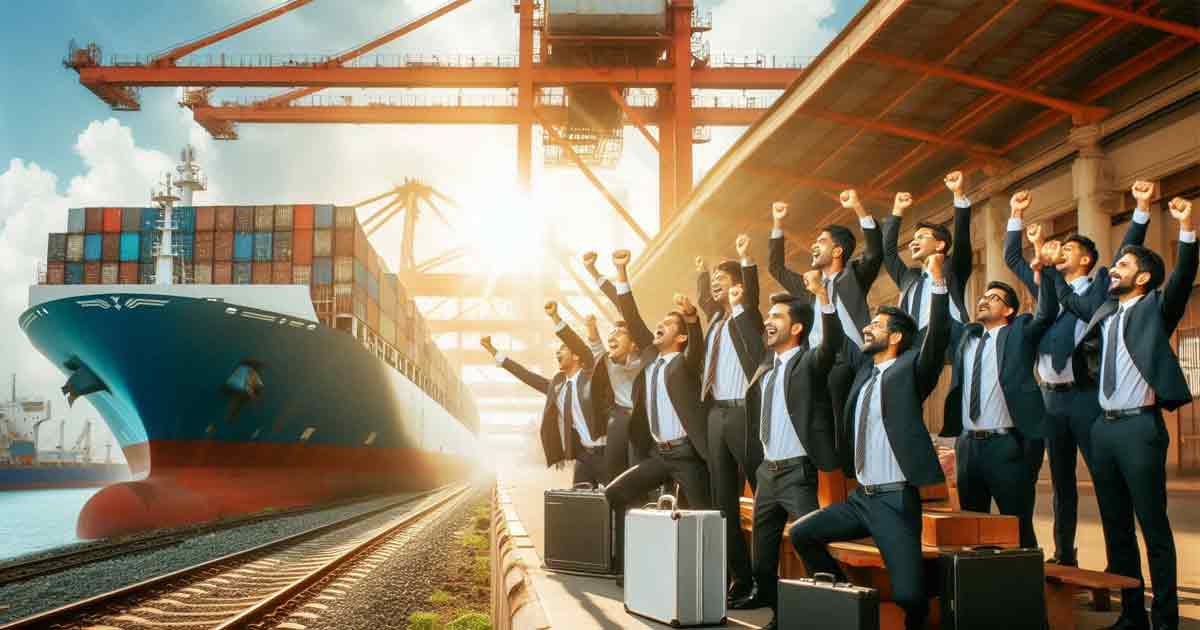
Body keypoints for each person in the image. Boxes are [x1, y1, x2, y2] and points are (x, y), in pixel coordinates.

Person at [1050, 195, 1196, 630]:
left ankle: (1165, 619)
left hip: (1139, 427)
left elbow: (1184, 277)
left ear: (1145, 277)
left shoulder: (1155, 308)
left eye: (1124, 266)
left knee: (1152, 526)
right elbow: (1074, 297)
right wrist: (1049, 271)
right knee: (1115, 527)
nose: (1114, 269)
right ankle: (1131, 613)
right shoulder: (1104, 310)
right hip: (1104, 429)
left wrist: (1186, 227)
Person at [789, 252, 951, 630]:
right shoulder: (863, 370)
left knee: (910, 596)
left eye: (876, 325)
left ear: (895, 337)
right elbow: (839, 336)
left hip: (895, 500)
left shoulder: (912, 368)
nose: (868, 329)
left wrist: (939, 280)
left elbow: (938, 334)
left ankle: (925, 611)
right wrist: (822, 297)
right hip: (860, 499)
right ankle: (849, 601)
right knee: (802, 534)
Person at [1004, 182, 1152, 565]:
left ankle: (1116, 562)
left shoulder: (1103, 285)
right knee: (1061, 485)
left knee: (1104, 481)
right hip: (1051, 400)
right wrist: (1017, 216)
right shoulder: (1047, 289)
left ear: (1086, 260)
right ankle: (1064, 554)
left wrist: (1141, 207)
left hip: (1085, 396)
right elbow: (1011, 258)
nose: (1061, 252)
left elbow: (1126, 251)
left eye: (1068, 249)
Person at [727, 275, 843, 630]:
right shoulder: (766, 368)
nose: (768, 321)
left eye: (776, 316)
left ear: (796, 328)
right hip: (767, 471)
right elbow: (747, 335)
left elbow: (831, 344)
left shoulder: (808, 362)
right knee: (762, 557)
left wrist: (823, 296)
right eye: (768, 316)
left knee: (810, 542)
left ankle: (838, 608)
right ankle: (780, 616)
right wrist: (737, 305)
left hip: (797, 472)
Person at [601, 249, 711, 585]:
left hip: (688, 455)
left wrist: (691, 318)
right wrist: (621, 272)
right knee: (616, 493)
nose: (658, 329)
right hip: (659, 454)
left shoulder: (686, 362)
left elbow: (697, 343)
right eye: (658, 326)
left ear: (679, 337)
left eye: (667, 326)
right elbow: (631, 314)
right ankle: (633, 565)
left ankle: (709, 583)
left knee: (702, 517)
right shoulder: (651, 355)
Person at [940, 269, 1057, 549]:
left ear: (1009, 309)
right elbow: (941, 316)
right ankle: (981, 588)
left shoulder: (1019, 331)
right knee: (972, 525)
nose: (984, 300)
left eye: (993, 298)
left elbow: (1047, 312)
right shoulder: (967, 339)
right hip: (968, 447)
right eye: (982, 297)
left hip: (1006, 445)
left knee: (1015, 525)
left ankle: (1027, 587)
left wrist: (1043, 273)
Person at [767, 192, 884, 432]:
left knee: (849, 429)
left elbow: (874, 252)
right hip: (817, 364)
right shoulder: (810, 286)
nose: (813, 245)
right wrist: (778, 223)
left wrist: (858, 207)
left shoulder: (855, 276)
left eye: (821, 241)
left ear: (838, 250)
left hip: (852, 362)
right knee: (820, 430)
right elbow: (776, 268)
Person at [693, 234, 762, 604]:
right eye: (715, 280)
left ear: (738, 286)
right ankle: (740, 578)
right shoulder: (716, 320)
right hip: (716, 414)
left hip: (743, 413)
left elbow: (750, 291)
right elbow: (706, 299)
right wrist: (702, 275)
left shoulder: (747, 314)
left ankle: (768, 579)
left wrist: (746, 258)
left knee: (762, 496)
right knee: (724, 503)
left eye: (724, 277)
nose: (717, 284)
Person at [481, 300, 607, 485]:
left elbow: (579, 345)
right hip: (585, 456)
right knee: (581, 506)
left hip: (609, 453)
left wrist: (555, 317)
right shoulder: (558, 386)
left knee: (618, 503)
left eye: (563, 348)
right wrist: (494, 352)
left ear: (577, 355)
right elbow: (527, 376)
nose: (557, 352)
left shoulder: (591, 374)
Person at [581, 250, 647, 481]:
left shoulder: (646, 359)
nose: (614, 336)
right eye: (612, 332)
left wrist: (619, 271)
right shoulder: (608, 361)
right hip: (618, 420)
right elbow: (596, 346)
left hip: (643, 420)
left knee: (638, 473)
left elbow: (626, 308)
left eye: (621, 333)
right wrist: (593, 272)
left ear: (635, 344)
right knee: (615, 475)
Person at [882, 170, 973, 339]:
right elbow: (888, 254)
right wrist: (897, 211)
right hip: (913, 347)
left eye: (921, 237)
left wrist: (958, 194)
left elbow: (962, 238)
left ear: (940, 245)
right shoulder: (908, 277)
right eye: (913, 239)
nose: (913, 243)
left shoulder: (954, 268)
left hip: (947, 341)